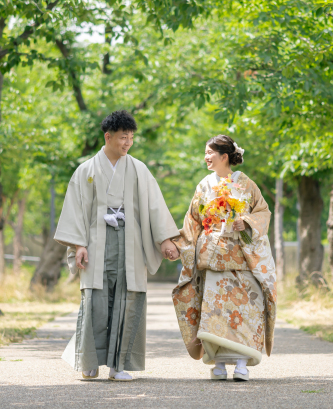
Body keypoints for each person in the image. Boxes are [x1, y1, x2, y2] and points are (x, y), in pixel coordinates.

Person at [54, 110, 179, 381]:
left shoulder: (138, 169)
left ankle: (118, 366)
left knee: (127, 298)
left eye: (131, 138)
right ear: (108, 137)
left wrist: (165, 239)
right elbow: (76, 210)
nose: (128, 143)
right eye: (123, 137)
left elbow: (155, 206)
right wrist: (79, 245)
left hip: (130, 239)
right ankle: (90, 362)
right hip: (95, 240)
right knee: (95, 301)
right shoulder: (86, 170)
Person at [171, 135, 277, 381]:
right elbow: (193, 221)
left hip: (242, 259)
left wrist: (246, 222)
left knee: (244, 310)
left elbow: (263, 211)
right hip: (212, 257)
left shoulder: (246, 184)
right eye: (205, 152)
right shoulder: (204, 185)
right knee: (214, 314)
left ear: (224, 156)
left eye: (210, 152)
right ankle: (218, 364)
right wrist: (176, 245)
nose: (206, 157)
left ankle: (241, 364)